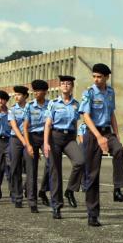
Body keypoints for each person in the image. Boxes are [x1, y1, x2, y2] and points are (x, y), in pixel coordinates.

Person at [79, 63, 123, 226]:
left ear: (107, 77)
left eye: (99, 77)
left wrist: (116, 134)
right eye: (94, 76)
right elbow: (85, 116)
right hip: (93, 134)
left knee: (120, 151)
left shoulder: (110, 92)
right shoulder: (89, 92)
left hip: (108, 131)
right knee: (92, 175)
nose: (96, 79)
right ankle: (92, 214)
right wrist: (99, 137)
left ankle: (117, 189)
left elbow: (112, 113)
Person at [43, 75, 85, 219]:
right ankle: (57, 206)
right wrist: (46, 143)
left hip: (69, 138)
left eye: (68, 84)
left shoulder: (76, 104)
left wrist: (74, 139)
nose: (65, 86)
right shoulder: (53, 103)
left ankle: (70, 190)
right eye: (63, 83)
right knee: (55, 173)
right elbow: (48, 124)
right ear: (60, 87)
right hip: (55, 137)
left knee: (80, 161)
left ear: (72, 86)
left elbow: (75, 123)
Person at [24, 80, 52, 212]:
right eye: (34, 91)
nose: (35, 93)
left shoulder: (50, 105)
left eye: (38, 91)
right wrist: (28, 145)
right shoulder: (29, 106)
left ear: (45, 92)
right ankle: (32, 201)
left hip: (46, 137)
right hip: (32, 137)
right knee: (31, 170)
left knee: (51, 163)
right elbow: (25, 126)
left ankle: (43, 189)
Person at [7, 86, 31, 207]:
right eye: (15, 94)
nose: (16, 97)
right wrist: (23, 140)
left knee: (30, 166)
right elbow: (14, 126)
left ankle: (29, 191)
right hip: (16, 139)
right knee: (15, 167)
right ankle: (17, 196)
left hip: (29, 139)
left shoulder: (30, 107)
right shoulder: (12, 110)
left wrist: (27, 141)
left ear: (25, 96)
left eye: (19, 95)